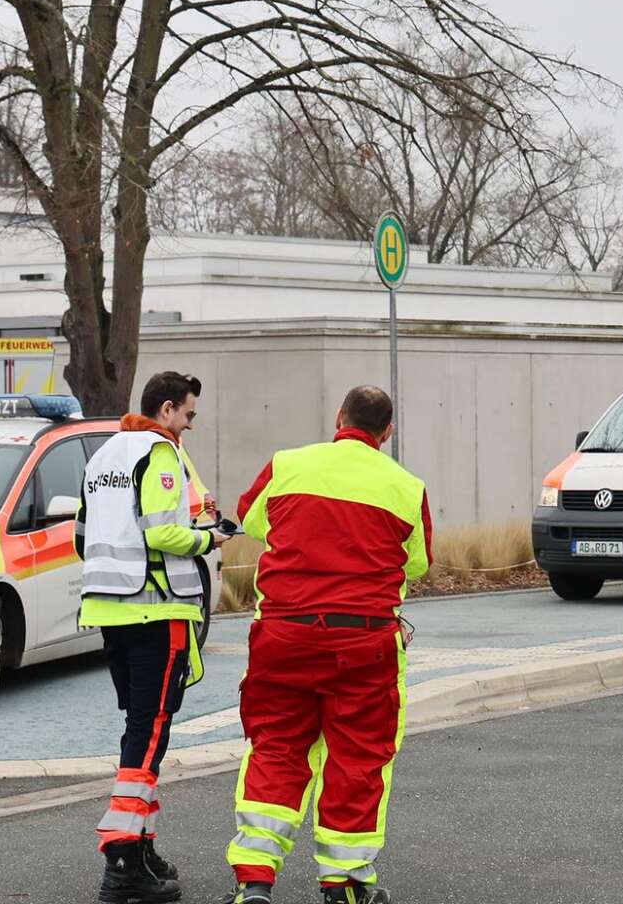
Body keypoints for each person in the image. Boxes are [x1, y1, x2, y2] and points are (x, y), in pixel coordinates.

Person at [218, 386, 432, 904]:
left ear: (338, 418)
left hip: (284, 637)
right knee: (357, 758)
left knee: (276, 749)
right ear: (388, 432)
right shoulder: (406, 487)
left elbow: (250, 520)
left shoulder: (287, 465)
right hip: (364, 644)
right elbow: (418, 563)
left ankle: (255, 883)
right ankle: (345, 884)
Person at [80, 371, 232, 904]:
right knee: (150, 730)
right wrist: (209, 537)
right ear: (166, 410)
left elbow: (87, 530)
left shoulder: (104, 454)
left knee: (140, 726)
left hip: (109, 608)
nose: (189, 425)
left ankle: (139, 846)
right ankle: (122, 859)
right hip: (156, 607)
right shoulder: (159, 452)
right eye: (188, 415)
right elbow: (162, 532)